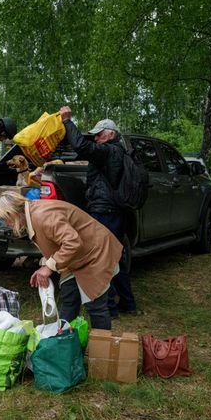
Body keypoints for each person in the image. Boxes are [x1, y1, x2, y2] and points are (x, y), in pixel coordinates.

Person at [0, 191, 122, 329]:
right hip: (76, 257)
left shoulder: (43, 216)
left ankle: (102, 348)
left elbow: (72, 243)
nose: (7, 223)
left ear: (12, 213)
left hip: (95, 252)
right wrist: (45, 264)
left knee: (95, 306)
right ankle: (60, 340)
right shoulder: (32, 213)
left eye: (5, 219)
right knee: (69, 298)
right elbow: (55, 242)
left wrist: (49, 267)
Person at [59, 106, 138, 317]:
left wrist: (67, 121)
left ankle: (109, 308)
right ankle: (128, 303)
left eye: (99, 134)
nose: (96, 139)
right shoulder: (119, 151)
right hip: (116, 211)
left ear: (111, 134)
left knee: (102, 259)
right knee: (116, 257)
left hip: (103, 212)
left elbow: (81, 146)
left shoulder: (108, 151)